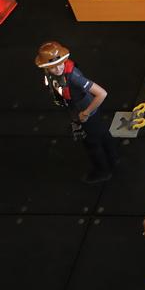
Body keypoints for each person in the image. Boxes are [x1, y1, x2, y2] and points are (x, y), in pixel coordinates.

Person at [36, 41, 117, 183]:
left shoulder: (73, 77)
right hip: (77, 109)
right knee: (102, 133)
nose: (58, 68)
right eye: (52, 67)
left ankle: (103, 171)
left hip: (86, 112)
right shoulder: (52, 74)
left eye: (60, 63)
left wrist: (86, 113)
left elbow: (102, 93)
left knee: (92, 143)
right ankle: (113, 156)